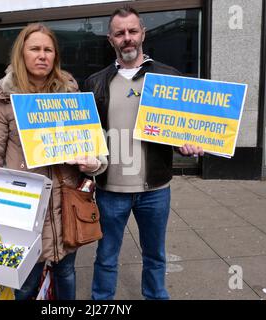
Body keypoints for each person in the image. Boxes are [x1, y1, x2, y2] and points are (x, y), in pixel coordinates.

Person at [0, 23, 107, 300]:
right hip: (24, 209)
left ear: (55, 56)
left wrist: (93, 164)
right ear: (21, 54)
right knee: (25, 283)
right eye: (35, 49)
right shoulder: (4, 101)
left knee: (66, 274)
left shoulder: (71, 97)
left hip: (66, 207)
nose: (42, 55)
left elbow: (97, 152)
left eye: (48, 50)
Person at [84, 6, 204, 300]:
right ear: (110, 39)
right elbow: (88, 136)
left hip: (155, 189)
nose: (127, 38)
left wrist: (185, 145)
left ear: (143, 34)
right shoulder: (96, 83)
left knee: (155, 256)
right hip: (110, 189)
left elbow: (180, 129)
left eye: (132, 31)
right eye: (119, 33)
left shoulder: (168, 77)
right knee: (107, 256)